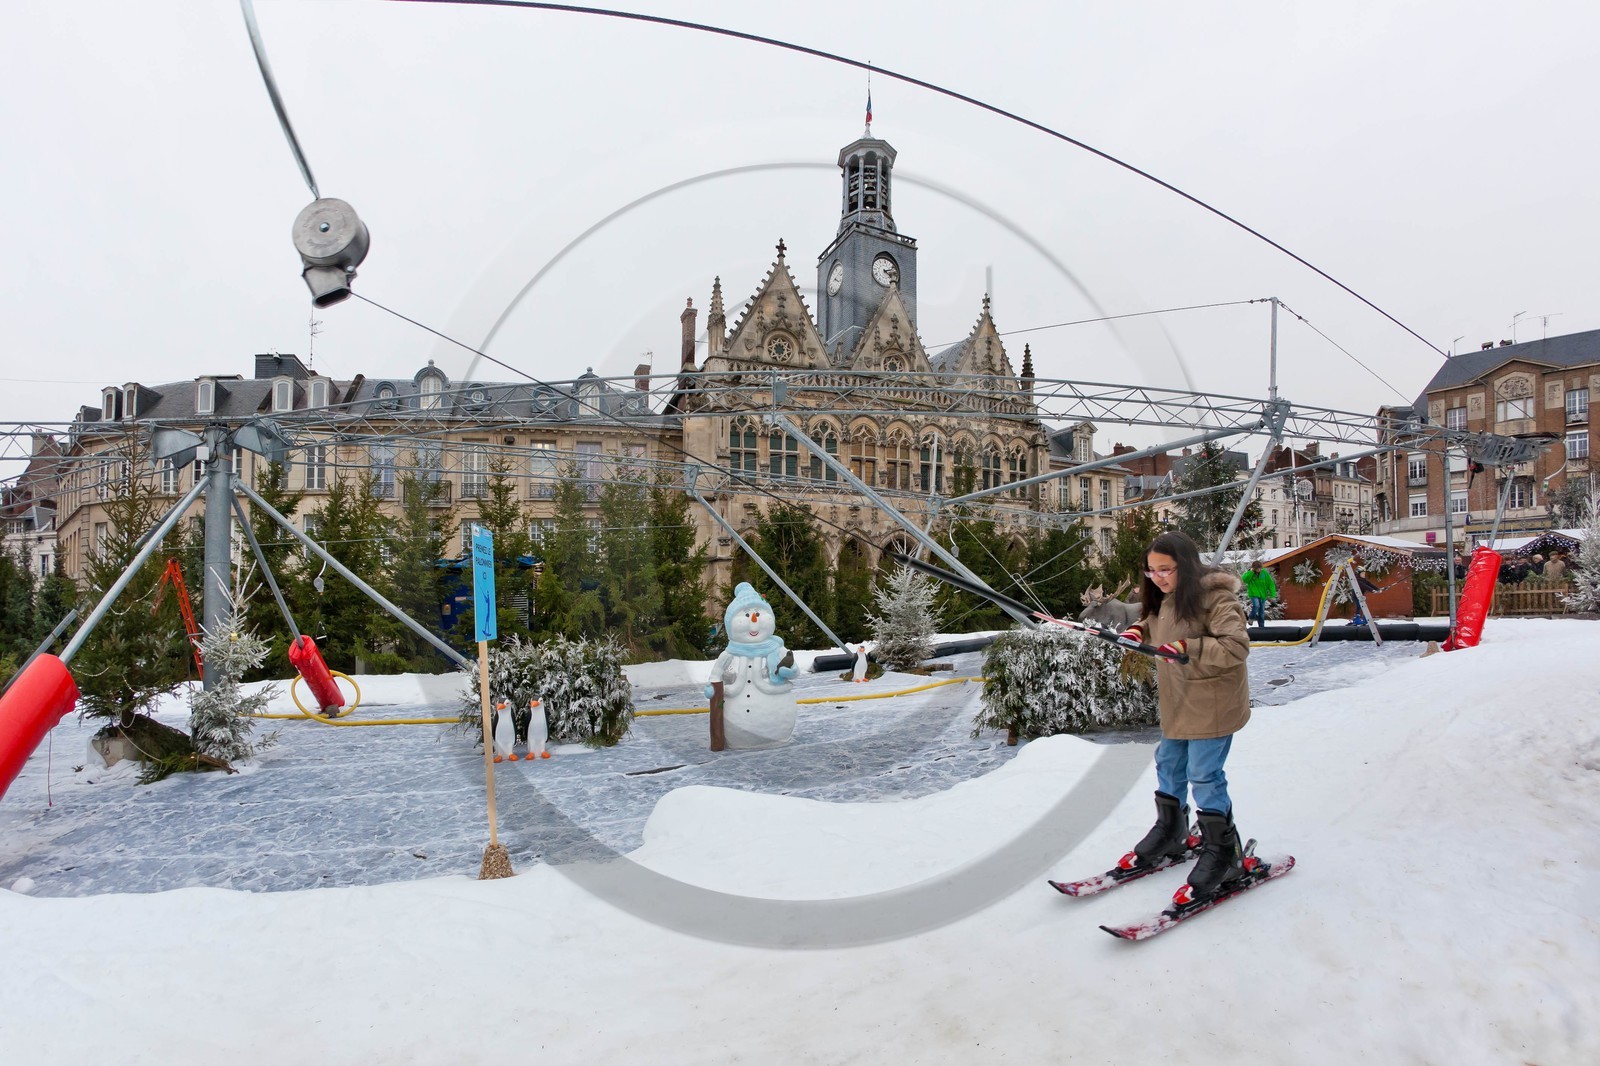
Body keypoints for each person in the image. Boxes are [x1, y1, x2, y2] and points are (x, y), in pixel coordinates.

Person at [1116, 530, 1253, 903]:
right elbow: (1156, 625)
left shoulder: (1215, 597)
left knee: (1204, 775)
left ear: (1187, 566)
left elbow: (1236, 646)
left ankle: (1225, 853)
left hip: (1211, 703)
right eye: (1151, 571)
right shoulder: (1163, 598)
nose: (1158, 577)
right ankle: (1171, 832)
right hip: (1177, 701)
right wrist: (1136, 629)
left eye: (1165, 569)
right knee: (1169, 763)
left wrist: (1187, 647)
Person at [1241, 562, 1277, 627]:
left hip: (1263, 595)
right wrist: (1251, 572)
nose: (1259, 570)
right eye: (1257, 568)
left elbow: (1271, 584)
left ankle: (1261, 627)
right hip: (1254, 594)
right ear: (1254, 568)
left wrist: (1272, 595)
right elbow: (1244, 579)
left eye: (1260, 568)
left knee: (1261, 612)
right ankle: (1251, 618)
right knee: (1256, 605)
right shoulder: (1250, 574)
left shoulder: (1264, 573)